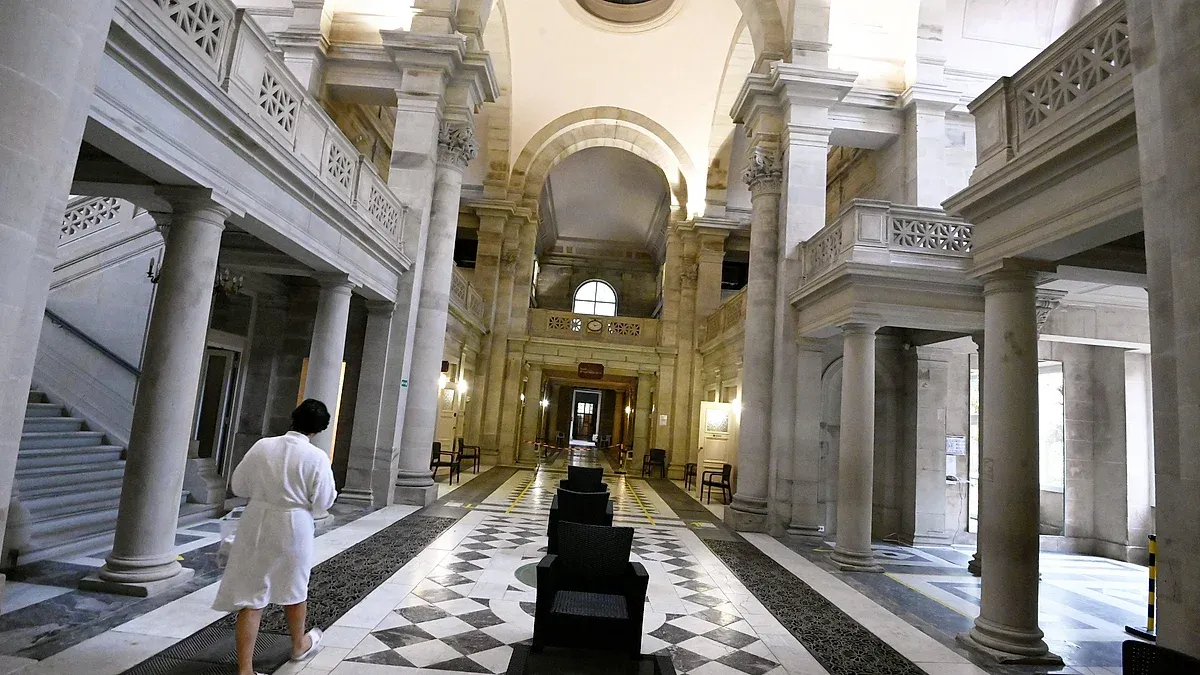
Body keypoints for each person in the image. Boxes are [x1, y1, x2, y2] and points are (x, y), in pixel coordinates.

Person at [212, 399, 338, 675]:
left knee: (251, 593)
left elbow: (239, 484)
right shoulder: (316, 457)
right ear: (319, 429)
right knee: (295, 586)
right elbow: (324, 502)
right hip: (295, 523)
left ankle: (245, 670)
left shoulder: (263, 446)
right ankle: (298, 645)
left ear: (293, 419)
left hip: (256, 519)